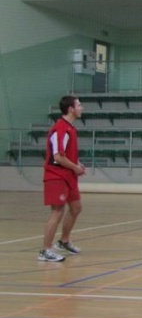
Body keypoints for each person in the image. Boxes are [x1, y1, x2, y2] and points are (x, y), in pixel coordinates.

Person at [40, 95, 86, 262]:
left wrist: (77, 165)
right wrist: (75, 168)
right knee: (57, 211)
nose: (82, 108)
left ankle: (64, 241)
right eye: (79, 105)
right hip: (56, 176)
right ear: (71, 109)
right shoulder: (60, 128)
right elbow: (58, 157)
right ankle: (45, 250)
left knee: (76, 208)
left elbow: (67, 153)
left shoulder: (71, 128)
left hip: (69, 176)